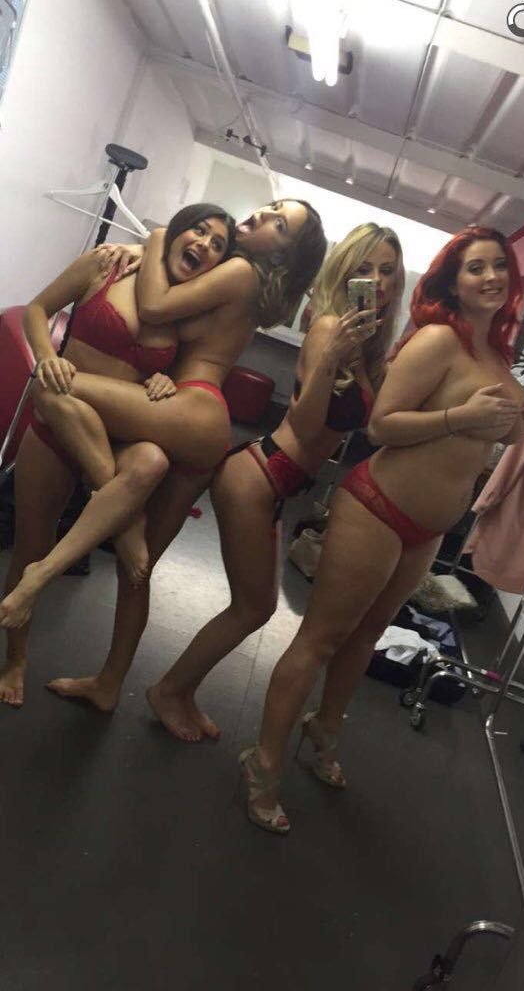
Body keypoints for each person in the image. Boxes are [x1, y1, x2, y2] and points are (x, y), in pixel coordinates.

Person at [238, 225, 524, 834]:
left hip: (429, 530)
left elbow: (495, 435)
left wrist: (518, 423)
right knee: (322, 638)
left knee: (369, 633)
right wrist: (462, 415)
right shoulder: (439, 339)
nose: (490, 277)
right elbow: (381, 426)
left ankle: (325, 728)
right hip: (377, 507)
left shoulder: (500, 355)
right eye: (475, 267)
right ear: (453, 280)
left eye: (499, 266)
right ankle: (263, 761)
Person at [0, 200, 327, 708]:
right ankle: (110, 683)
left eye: (279, 224)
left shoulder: (240, 272)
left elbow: (154, 306)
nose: (264, 216)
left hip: (194, 408)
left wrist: (153, 239)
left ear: (282, 255)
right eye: (271, 208)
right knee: (139, 569)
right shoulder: (225, 270)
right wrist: (144, 249)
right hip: (183, 410)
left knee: (54, 388)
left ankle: (107, 537)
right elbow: (169, 300)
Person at [146, 223, 405, 741]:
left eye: (387, 271)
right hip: (259, 474)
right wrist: (332, 357)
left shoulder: (365, 344)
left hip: (278, 481)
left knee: (254, 607)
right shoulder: (329, 328)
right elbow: (306, 425)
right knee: (254, 608)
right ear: (344, 273)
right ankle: (169, 691)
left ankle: (179, 691)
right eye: (364, 269)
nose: (376, 281)